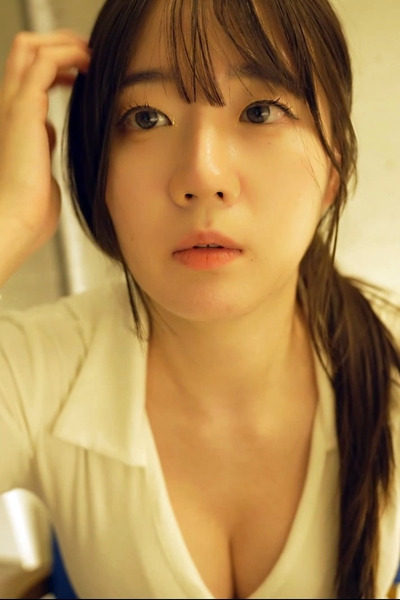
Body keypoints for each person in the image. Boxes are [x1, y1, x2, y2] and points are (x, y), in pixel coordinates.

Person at [0, 0, 399, 598]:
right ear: (97, 170)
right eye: (146, 118)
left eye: (260, 111)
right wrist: (9, 221)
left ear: (333, 166)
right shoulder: (41, 368)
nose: (202, 175)